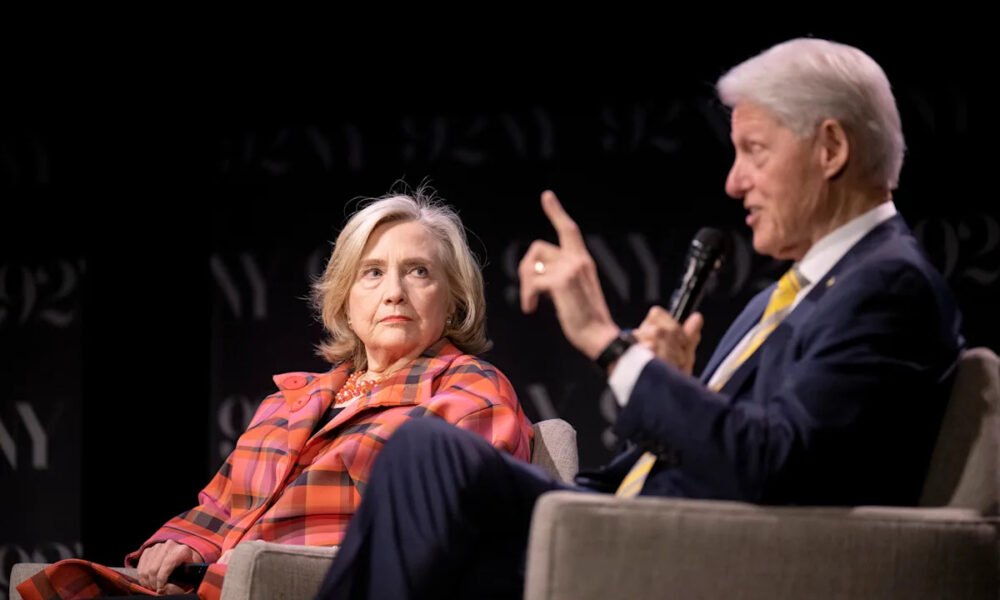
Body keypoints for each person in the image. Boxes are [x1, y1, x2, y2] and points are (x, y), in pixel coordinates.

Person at [314, 38, 965, 599]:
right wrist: (674, 385)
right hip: (623, 515)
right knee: (424, 456)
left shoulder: (887, 286)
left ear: (830, 148)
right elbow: (724, 449)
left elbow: (774, 464)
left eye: (755, 150)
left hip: (676, 553)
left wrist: (609, 344)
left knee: (425, 458)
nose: (735, 182)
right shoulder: (791, 294)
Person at [16, 189, 533, 600]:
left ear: (454, 300)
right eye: (372, 273)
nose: (394, 291)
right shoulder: (290, 401)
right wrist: (184, 542)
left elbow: (457, 529)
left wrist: (263, 560)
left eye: (418, 271)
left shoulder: (469, 386)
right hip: (219, 583)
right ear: (345, 301)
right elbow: (221, 506)